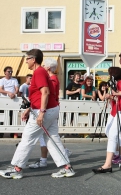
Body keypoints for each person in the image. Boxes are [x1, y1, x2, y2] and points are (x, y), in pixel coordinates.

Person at [0, 49, 75, 179]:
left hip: (45, 111)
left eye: (27, 58)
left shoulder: (39, 72)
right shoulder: (40, 72)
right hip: (50, 109)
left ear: (33, 59)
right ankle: (67, 168)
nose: (25, 61)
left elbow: (45, 92)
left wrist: (41, 113)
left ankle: (16, 169)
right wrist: (30, 109)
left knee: (28, 138)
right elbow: (40, 95)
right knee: (52, 138)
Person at [28, 58, 72, 169]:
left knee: (45, 137)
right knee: (50, 135)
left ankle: (45, 160)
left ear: (47, 67)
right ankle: (60, 157)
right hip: (52, 108)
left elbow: (46, 94)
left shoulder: (51, 79)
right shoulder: (54, 78)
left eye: (44, 65)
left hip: (48, 109)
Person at [104, 67, 121, 164]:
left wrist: (111, 97)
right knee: (109, 131)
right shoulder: (114, 83)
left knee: (118, 134)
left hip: (120, 110)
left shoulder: (120, 83)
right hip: (114, 109)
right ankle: (118, 153)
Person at [0, 66, 19, 138]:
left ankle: (12, 132)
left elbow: (17, 88)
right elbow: (0, 89)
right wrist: (8, 92)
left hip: (12, 100)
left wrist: (14, 94)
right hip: (3, 100)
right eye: (9, 71)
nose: (10, 73)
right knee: (2, 116)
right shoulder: (2, 80)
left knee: (12, 116)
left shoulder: (14, 80)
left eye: (11, 72)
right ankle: (1, 132)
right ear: (5, 72)